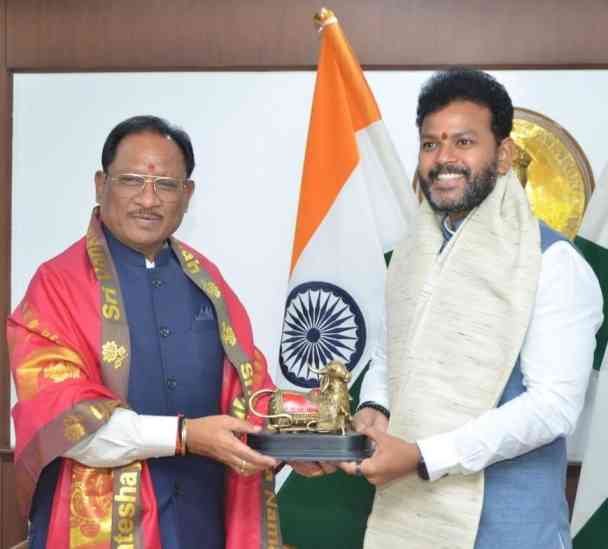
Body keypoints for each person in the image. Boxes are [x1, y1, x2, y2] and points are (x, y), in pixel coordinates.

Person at [340, 69, 603, 549]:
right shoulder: (412, 254)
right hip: (410, 521)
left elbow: (553, 408)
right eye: (430, 144)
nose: (444, 158)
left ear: (503, 155)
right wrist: (375, 406)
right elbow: (389, 348)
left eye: (464, 142)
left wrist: (425, 455)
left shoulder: (552, 262)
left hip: (511, 532)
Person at [8, 115, 281, 549]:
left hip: (203, 518)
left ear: (187, 195)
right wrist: (184, 436)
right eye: (132, 180)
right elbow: (67, 421)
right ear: (101, 185)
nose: (148, 199)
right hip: (98, 524)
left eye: (166, 185)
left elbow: (251, 393)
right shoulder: (57, 286)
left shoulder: (208, 283)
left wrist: (297, 442)